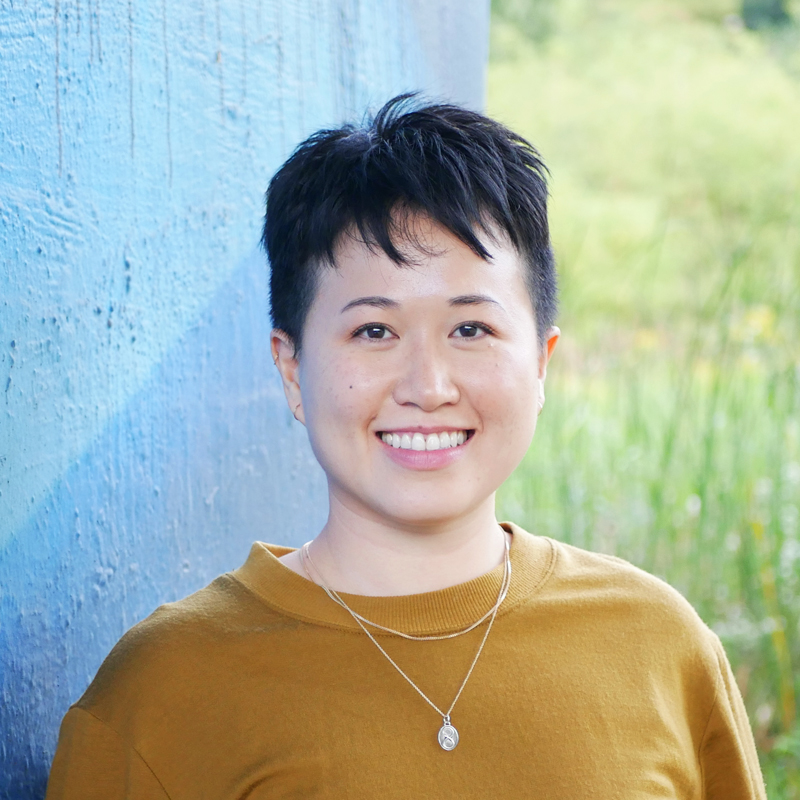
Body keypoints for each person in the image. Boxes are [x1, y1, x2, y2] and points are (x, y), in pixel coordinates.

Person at [46, 94, 766, 799]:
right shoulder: (163, 692)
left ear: (542, 362)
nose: (428, 386)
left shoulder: (658, 645)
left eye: (471, 330)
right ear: (292, 369)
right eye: (374, 331)